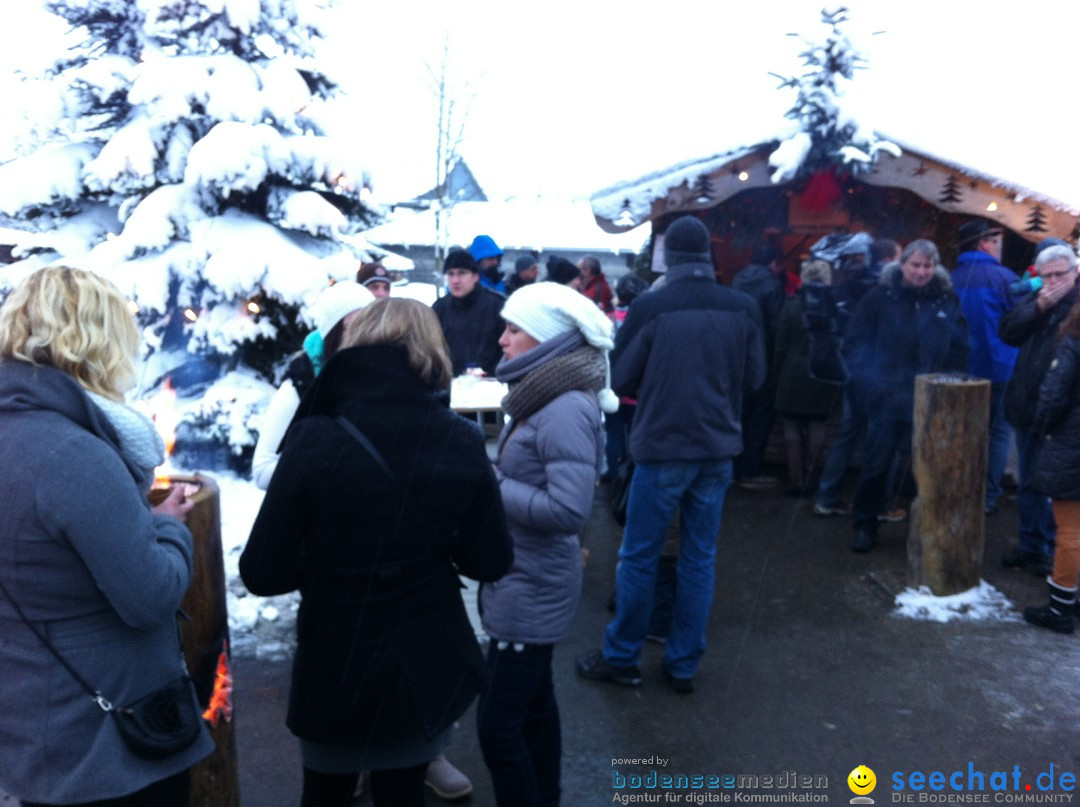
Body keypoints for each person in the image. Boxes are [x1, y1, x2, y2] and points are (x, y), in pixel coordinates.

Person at [240, 298, 514, 807]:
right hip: (421, 662)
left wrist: (331, 561)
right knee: (403, 792)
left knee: (324, 794)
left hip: (336, 658)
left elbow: (262, 571)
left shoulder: (314, 438)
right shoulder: (458, 439)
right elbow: (491, 561)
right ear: (431, 351)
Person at [0, 266, 214, 807]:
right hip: (108, 748)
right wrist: (168, 527)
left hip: (30, 723)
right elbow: (150, 596)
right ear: (98, 340)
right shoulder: (72, 453)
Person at [575, 214, 765, 693]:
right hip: (717, 450)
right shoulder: (742, 307)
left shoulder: (652, 306)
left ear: (668, 255)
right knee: (699, 559)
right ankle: (683, 664)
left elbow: (618, 379)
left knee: (639, 557)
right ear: (708, 254)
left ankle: (622, 657)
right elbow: (756, 379)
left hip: (661, 448)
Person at [476, 281, 616, 806]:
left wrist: (490, 480)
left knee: (496, 726)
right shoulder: (545, 396)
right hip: (525, 576)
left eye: (514, 330)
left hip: (530, 585)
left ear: (547, 340)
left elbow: (567, 510)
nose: (503, 341)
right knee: (534, 709)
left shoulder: (562, 408)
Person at [845, 240, 969, 552]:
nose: (921, 272)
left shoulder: (946, 299)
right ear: (903, 265)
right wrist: (869, 389)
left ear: (935, 267)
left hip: (931, 401)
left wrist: (950, 384)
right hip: (886, 399)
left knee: (927, 470)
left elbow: (960, 347)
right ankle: (865, 524)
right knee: (876, 467)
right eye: (915, 265)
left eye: (927, 266)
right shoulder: (878, 298)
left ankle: (927, 530)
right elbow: (855, 343)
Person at [999, 243, 1080, 576]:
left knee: (1054, 489)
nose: (1053, 281)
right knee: (1029, 482)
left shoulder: (1077, 308)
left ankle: (1052, 549)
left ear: (1075, 272)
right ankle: (1031, 544)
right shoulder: (1040, 300)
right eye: (1046, 276)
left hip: (1061, 416)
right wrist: (1040, 307)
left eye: (1059, 274)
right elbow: (1007, 331)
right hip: (1028, 406)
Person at [252, 281, 375, 489]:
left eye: (373, 326)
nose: (366, 338)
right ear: (334, 334)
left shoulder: (379, 379)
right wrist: (328, 464)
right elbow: (262, 472)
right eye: (355, 328)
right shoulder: (300, 385)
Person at [950, 218, 1018, 515]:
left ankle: (962, 490)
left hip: (962, 371)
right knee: (999, 432)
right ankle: (989, 497)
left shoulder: (950, 278)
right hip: (1002, 369)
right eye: (995, 241)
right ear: (983, 243)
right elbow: (1022, 318)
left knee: (966, 431)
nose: (998, 247)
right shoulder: (1004, 278)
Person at [1022, 298, 1080, 633]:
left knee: (1071, 531)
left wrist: (1042, 425)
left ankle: (1059, 609)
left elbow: (1055, 392)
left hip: (1073, 444)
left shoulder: (1074, 339)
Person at [773, 258, 842, 496]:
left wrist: (776, 373)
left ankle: (796, 481)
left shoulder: (791, 305)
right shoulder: (835, 308)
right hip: (822, 374)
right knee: (817, 425)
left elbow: (780, 344)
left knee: (791, 426)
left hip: (792, 373)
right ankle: (812, 480)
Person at [731, 243, 786, 490]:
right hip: (763, 359)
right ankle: (749, 471)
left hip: (736, 359)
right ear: (774, 264)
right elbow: (777, 328)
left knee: (738, 415)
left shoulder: (736, 281)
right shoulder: (773, 286)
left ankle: (731, 469)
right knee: (760, 418)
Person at [432, 248, 506, 376]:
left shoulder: (496, 306)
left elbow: (508, 349)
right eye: (450, 274)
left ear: (475, 276)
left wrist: (493, 373)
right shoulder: (439, 308)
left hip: (491, 385)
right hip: (450, 384)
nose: (455, 280)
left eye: (462, 273)